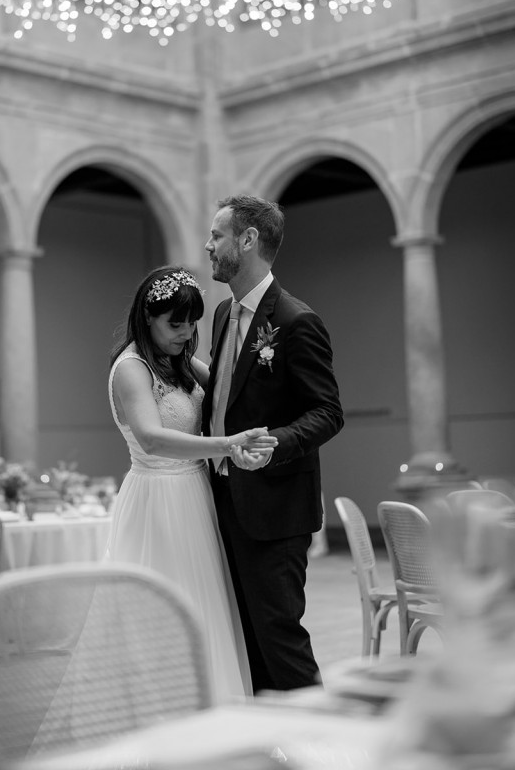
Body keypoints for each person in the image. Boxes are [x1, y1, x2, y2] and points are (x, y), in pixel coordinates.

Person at [106, 265, 278, 702]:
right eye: (175, 323)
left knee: (207, 606)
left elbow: (226, 391)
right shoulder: (131, 368)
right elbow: (152, 438)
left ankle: (215, 704)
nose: (185, 333)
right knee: (165, 612)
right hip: (158, 501)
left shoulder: (179, 361)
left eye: (192, 323)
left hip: (196, 496)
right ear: (148, 317)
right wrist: (226, 445)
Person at [202, 194, 344, 693]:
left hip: (275, 506)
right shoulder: (223, 313)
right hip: (224, 498)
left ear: (247, 240)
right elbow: (230, 389)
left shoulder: (296, 320)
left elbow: (328, 412)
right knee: (247, 639)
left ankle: (320, 733)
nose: (208, 245)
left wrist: (275, 443)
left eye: (216, 235)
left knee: (279, 638)